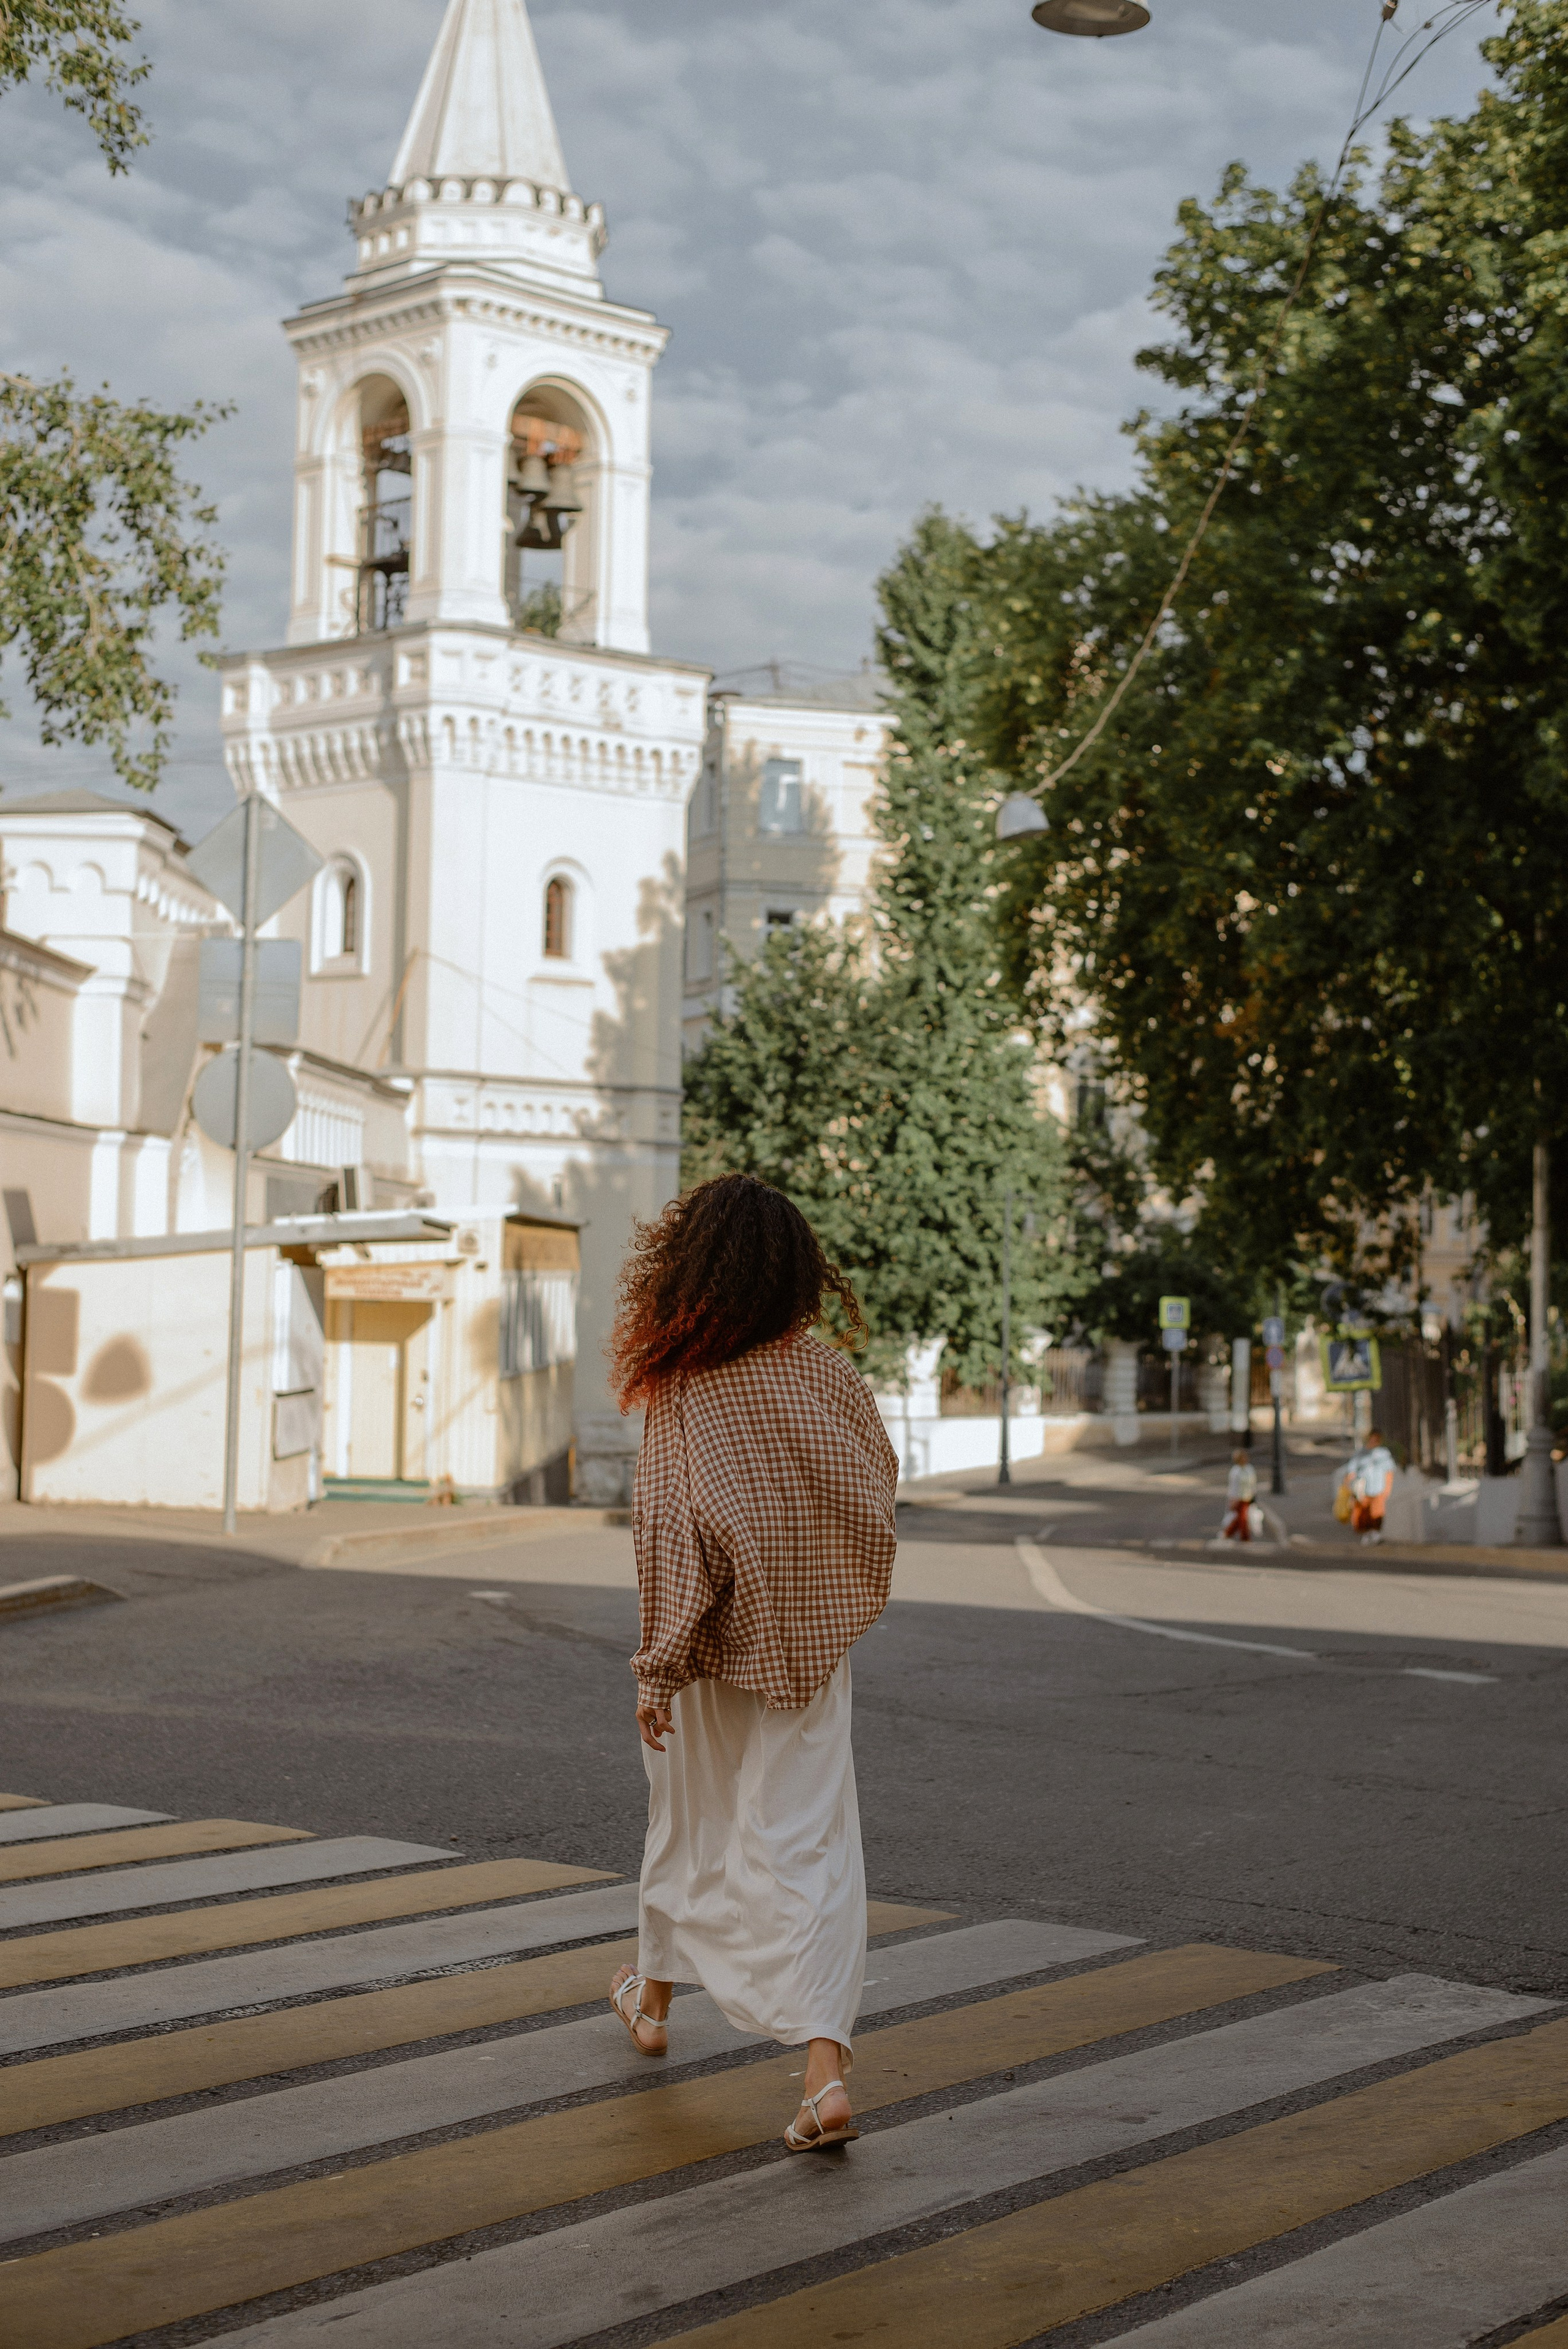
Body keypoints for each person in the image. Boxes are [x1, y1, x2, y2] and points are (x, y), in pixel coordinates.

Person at [606, 1173, 898, 2155]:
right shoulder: (830, 1379)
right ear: (794, 1274)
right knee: (809, 1846)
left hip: (707, 1650)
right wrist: (824, 1597)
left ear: (692, 1272)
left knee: (687, 1820)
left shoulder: (689, 1388)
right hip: (811, 1652)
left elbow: (669, 1534)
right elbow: (877, 1492)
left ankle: (650, 2003)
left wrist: (659, 1664)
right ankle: (823, 2073)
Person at [1340, 1425, 1396, 1542]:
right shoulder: (1360, 1453)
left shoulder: (1383, 1454)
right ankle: (1366, 1534)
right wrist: (1346, 1486)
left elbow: (1389, 1472)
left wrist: (1388, 1488)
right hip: (1363, 1489)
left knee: (1377, 1512)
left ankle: (1376, 1534)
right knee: (1363, 1514)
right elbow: (1352, 1470)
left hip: (1378, 1488)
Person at [1221, 1449, 1257, 1542]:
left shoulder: (1250, 1469)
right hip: (1238, 1498)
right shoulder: (1235, 1471)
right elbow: (1233, 1486)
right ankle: (1245, 1538)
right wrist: (1232, 1499)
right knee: (1243, 1518)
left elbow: (1253, 1483)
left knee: (1240, 1518)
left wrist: (1254, 1495)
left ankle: (1228, 1533)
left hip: (1248, 1497)